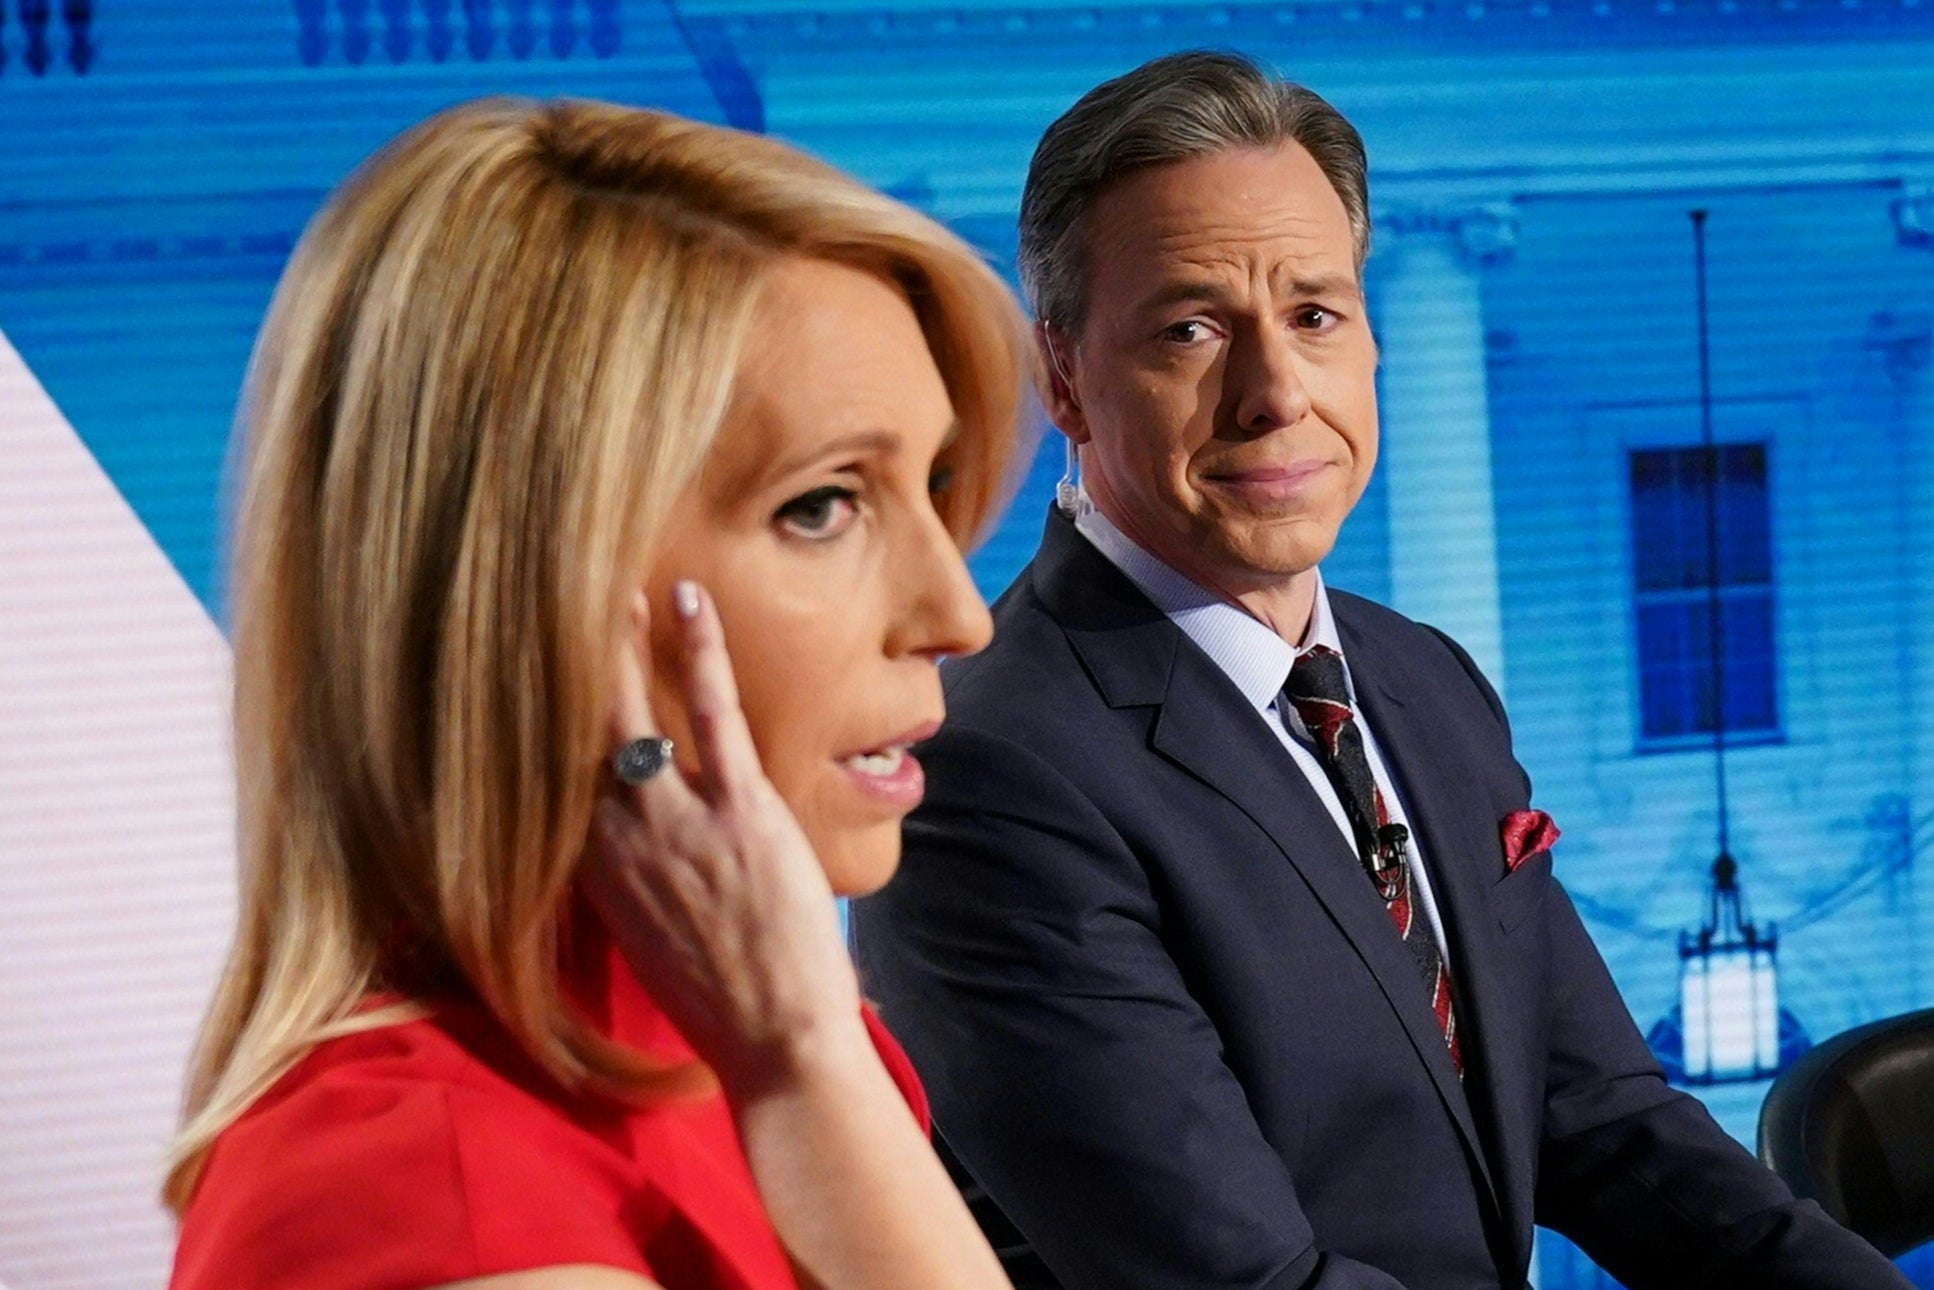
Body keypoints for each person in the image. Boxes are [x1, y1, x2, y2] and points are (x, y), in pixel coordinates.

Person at [850, 50, 1912, 1290]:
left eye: (1312, 314)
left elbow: (1604, 1122)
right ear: (1065, 377)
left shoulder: (1420, 677)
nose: (1273, 393)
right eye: (1190, 328)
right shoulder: (981, 771)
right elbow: (1243, 1285)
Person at [164, 96, 1030, 1290]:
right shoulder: (428, 1191)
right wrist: (802, 1062)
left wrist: (807, 1062)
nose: (957, 616)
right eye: (822, 504)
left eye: (933, 482)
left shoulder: (786, 1050)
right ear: (526, 588)